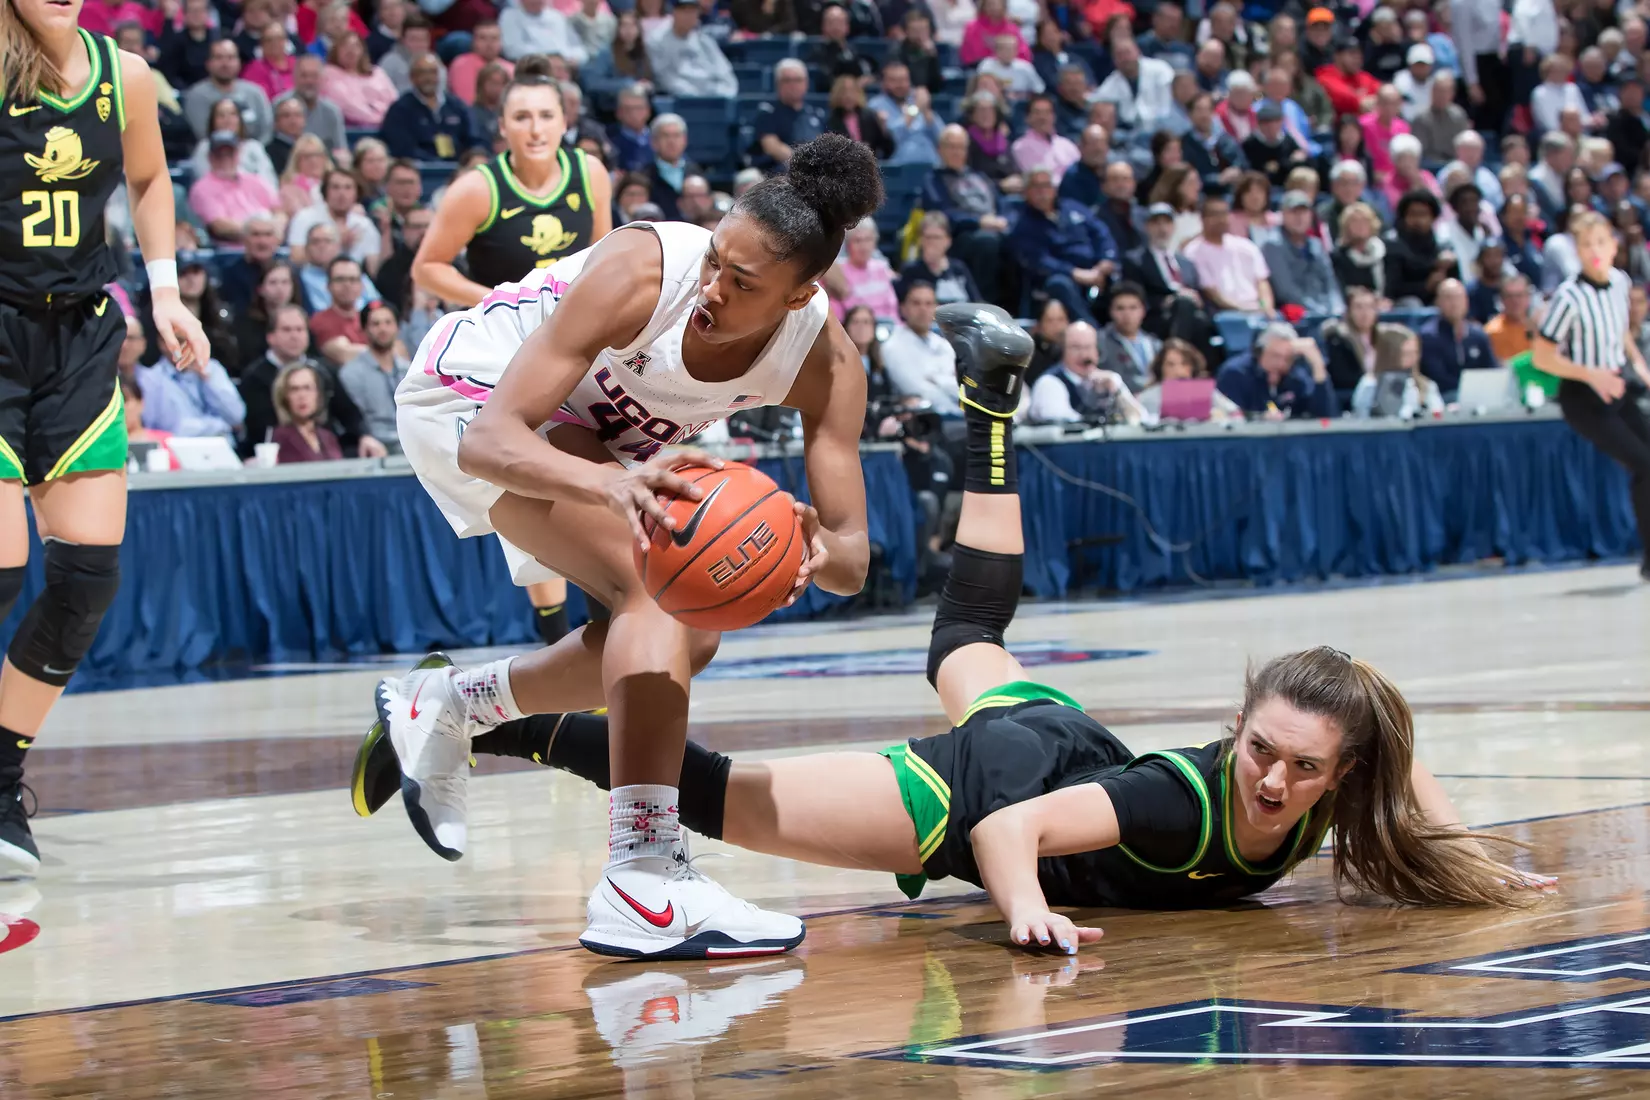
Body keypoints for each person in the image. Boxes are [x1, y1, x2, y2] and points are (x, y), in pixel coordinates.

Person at [355, 304, 1554, 941]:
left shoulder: (1335, 778)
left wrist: (1471, 858)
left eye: (1304, 766)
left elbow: (1406, 763)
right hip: (995, 793)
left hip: (1064, 734)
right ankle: (468, 726)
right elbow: (1016, 831)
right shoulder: (1181, 801)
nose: (1281, 779)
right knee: (722, 794)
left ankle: (988, 405)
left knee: (971, 625)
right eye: (1266, 750)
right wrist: (1025, 912)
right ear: (1233, 722)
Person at [379, 134, 883, 958]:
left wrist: (805, 551)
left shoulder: (826, 365)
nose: (712, 289)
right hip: (468, 394)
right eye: (717, 259)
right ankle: (641, 871)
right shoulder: (645, 268)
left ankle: (452, 704)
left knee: (697, 628)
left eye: (743, 282)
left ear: (800, 296)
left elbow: (855, 558)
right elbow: (491, 441)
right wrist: (612, 485)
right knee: (655, 581)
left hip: (581, 438)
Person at [0, 5, 211, 874]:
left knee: (86, 577)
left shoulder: (119, 71)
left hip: (83, 338)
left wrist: (164, 293)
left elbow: (151, 179)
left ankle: (2, 778)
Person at [1532, 211, 1650, 582]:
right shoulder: (1569, 296)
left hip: (1616, 386)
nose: (1595, 250)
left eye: (1601, 242)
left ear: (1614, 246)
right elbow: (1542, 356)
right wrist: (1592, 374)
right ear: (1577, 251)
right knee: (1644, 466)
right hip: (1583, 395)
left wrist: (1641, 367)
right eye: (1586, 244)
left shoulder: (1619, 282)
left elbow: (1621, 332)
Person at [1008, 169, 1119, 325]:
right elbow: (1038, 260)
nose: (1043, 191)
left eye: (1046, 185)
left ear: (1054, 188)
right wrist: (1075, 273)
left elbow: (1101, 233)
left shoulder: (1073, 208)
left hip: (1096, 269)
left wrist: (1105, 260)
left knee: (1126, 274)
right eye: (1036, 186)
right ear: (1026, 191)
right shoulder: (1022, 223)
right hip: (1062, 276)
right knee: (1059, 284)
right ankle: (1092, 332)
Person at [1025, 319, 1143, 423]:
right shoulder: (1049, 383)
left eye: (1089, 347)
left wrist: (1117, 392)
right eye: (1076, 348)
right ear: (1062, 351)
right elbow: (1062, 423)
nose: (1084, 355)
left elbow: (1141, 419)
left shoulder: (1110, 379)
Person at [1215, 322, 1337, 419]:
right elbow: (1228, 418)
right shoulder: (1235, 374)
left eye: (1288, 358)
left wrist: (1318, 365)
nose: (1281, 364)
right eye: (1275, 356)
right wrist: (1260, 419)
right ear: (1259, 352)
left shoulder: (1296, 376)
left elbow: (1326, 418)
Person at [1182, 194, 1274, 317]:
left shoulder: (1246, 246)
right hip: (1225, 313)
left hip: (1258, 310)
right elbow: (1212, 293)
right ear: (1202, 219)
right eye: (1215, 215)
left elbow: (1262, 281)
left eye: (1224, 214)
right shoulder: (1193, 251)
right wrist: (1244, 310)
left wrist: (1265, 306)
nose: (1221, 219)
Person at [338, 301, 408, 454]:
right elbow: (356, 421)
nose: (382, 329)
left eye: (388, 323)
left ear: (397, 327)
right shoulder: (351, 373)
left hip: (413, 445)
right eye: (375, 324)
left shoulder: (409, 370)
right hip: (376, 449)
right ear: (364, 329)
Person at [881, 280, 959, 416]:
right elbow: (920, 391)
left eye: (929, 304)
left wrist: (937, 379)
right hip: (925, 419)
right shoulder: (892, 346)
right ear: (903, 309)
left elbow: (961, 386)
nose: (923, 309)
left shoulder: (944, 344)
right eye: (916, 303)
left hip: (957, 414)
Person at [1263, 191, 1344, 319]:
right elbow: (1286, 290)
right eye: (1294, 212)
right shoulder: (1273, 245)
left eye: (1304, 212)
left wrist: (1337, 308)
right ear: (1283, 215)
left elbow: (1330, 283)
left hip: (1325, 311)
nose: (1299, 217)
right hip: (1296, 316)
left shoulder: (1316, 244)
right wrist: (1318, 312)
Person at [379, 53, 475, 161]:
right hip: (421, 170)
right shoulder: (400, 110)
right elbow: (402, 149)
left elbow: (473, 138)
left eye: (433, 72)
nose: (428, 78)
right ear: (412, 77)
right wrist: (436, 164)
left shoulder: (456, 106)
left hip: (458, 168)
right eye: (422, 73)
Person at [1419, 278, 1498, 400]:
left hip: (1479, 395)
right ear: (1438, 302)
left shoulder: (1478, 335)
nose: (1454, 303)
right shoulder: (1429, 336)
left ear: (1466, 301)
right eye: (1448, 298)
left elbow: (1492, 369)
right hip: (1444, 397)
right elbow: (1438, 377)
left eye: (1458, 297)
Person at [646, 0, 736, 99]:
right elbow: (665, 79)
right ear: (674, 12)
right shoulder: (657, 39)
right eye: (684, 11)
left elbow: (725, 72)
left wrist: (722, 93)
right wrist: (697, 96)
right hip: (679, 100)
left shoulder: (704, 40)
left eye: (692, 11)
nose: (688, 16)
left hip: (712, 98)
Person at [1137, 337, 1238, 422]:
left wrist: (1220, 417)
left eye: (1184, 364)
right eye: (1170, 365)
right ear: (1160, 368)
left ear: (1192, 367)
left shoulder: (1207, 393)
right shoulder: (1146, 398)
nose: (1178, 371)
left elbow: (1235, 414)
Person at [1352, 328, 1445, 418]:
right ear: (1389, 354)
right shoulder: (1369, 385)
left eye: (1415, 352)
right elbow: (1362, 420)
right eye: (1406, 354)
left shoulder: (1426, 386)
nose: (1413, 358)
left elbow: (1438, 416)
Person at [898, 213, 982, 307]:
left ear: (948, 241)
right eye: (928, 237)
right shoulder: (911, 270)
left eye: (937, 237)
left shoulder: (959, 269)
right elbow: (901, 306)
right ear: (921, 240)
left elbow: (976, 302)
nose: (932, 242)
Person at [270, 360, 344, 462]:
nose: (302, 396)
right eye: (294, 389)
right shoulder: (279, 438)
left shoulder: (328, 437)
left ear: (318, 394)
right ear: (284, 397)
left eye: (307, 388)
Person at [1094, 282, 1158, 392]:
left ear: (1143, 311)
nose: (1127, 314)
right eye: (1120, 308)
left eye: (1133, 308)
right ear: (1111, 311)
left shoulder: (1156, 344)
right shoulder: (1100, 342)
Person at [1485, 274, 1537, 363]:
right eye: (1509, 296)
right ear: (1501, 299)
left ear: (1528, 297)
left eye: (1519, 295)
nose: (1515, 301)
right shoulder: (1491, 331)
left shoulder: (1539, 329)